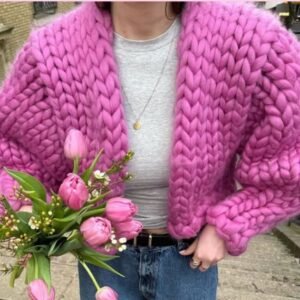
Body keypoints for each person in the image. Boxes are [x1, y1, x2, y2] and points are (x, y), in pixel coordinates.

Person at [1, 1, 300, 300]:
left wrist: (230, 225)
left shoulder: (251, 41)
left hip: (190, 261)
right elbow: (11, 151)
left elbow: (291, 159)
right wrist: (29, 211)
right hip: (103, 262)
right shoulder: (51, 52)